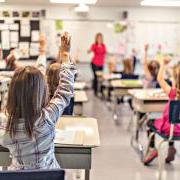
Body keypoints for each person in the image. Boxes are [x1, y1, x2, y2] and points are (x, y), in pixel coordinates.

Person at [0, 32, 76, 170]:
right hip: (49, 175)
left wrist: (42, 50)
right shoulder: (47, 118)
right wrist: (65, 55)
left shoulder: (5, 125)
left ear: (12, 93)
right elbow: (65, 90)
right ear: (41, 91)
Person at [143, 59, 180, 165]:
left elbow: (159, 78)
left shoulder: (172, 92)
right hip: (178, 128)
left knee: (150, 122)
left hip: (169, 129)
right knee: (174, 124)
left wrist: (163, 64)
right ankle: (171, 148)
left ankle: (152, 149)